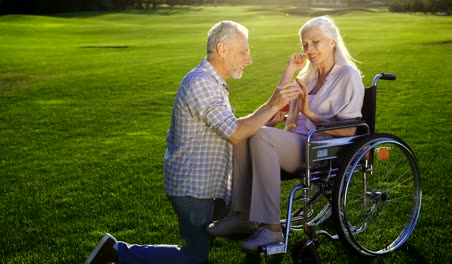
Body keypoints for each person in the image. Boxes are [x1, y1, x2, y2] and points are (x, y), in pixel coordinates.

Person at [85, 20, 301, 264]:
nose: (249, 59)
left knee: (248, 220)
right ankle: (115, 251)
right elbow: (235, 132)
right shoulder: (200, 83)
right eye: (244, 51)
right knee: (194, 257)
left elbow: (232, 127)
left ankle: (257, 235)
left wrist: (265, 125)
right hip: (194, 189)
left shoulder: (212, 82)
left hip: (209, 187)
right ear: (222, 49)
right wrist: (272, 104)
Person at [207, 15, 365, 253]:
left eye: (315, 42)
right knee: (245, 133)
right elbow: (289, 122)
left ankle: (272, 230)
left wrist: (309, 112)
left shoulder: (348, 75)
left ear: (332, 42)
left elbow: (350, 129)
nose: (309, 49)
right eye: (305, 44)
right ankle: (243, 216)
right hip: (299, 143)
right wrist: (291, 70)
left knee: (260, 135)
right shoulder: (307, 77)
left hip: (322, 149)